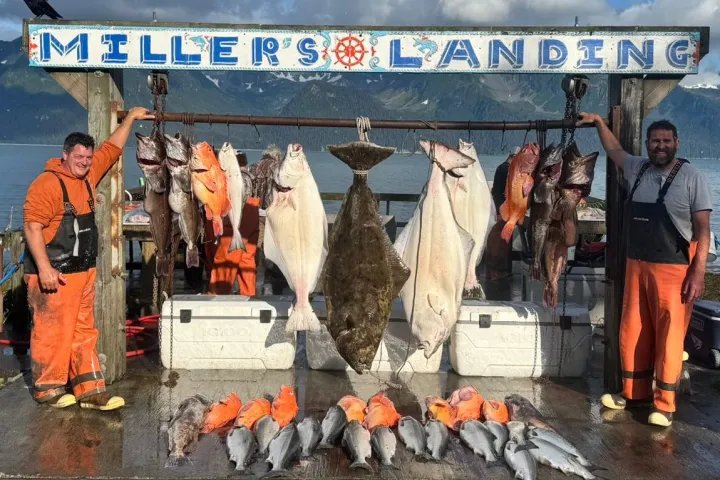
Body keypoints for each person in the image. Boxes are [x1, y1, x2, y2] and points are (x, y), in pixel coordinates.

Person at [577, 112, 712, 427]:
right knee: (633, 330)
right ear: (648, 144)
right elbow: (614, 152)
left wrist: (699, 271)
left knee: (669, 336)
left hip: (676, 270)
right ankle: (634, 395)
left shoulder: (693, 178)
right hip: (637, 266)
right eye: (655, 141)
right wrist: (599, 122)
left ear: (676, 143)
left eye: (666, 141)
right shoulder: (638, 168)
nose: (660, 146)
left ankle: (665, 404)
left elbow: (703, 231)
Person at [23, 106, 154, 410]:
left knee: (84, 332)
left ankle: (90, 389)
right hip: (54, 273)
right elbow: (32, 227)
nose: (84, 162)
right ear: (65, 155)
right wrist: (44, 269)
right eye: (78, 157)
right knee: (53, 332)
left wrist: (131, 119)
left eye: (87, 157)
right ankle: (48, 387)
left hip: (83, 274)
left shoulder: (88, 175)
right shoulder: (46, 184)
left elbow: (111, 149)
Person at [206, 150, 261, 296]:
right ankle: (248, 295)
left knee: (226, 259)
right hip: (252, 218)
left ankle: (218, 294)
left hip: (238, 219)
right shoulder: (252, 176)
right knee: (246, 260)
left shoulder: (235, 178)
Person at [248, 145, 286, 295]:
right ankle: (268, 283)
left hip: (255, 213)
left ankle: (251, 280)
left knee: (254, 248)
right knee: (271, 249)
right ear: (276, 156)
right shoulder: (279, 169)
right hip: (273, 213)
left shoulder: (252, 167)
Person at [485, 147, 520, 280]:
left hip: (504, 210)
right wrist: (501, 212)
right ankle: (495, 272)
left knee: (504, 240)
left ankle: (501, 271)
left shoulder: (504, 168)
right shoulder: (505, 169)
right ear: (514, 157)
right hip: (502, 210)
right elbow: (498, 192)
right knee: (500, 241)